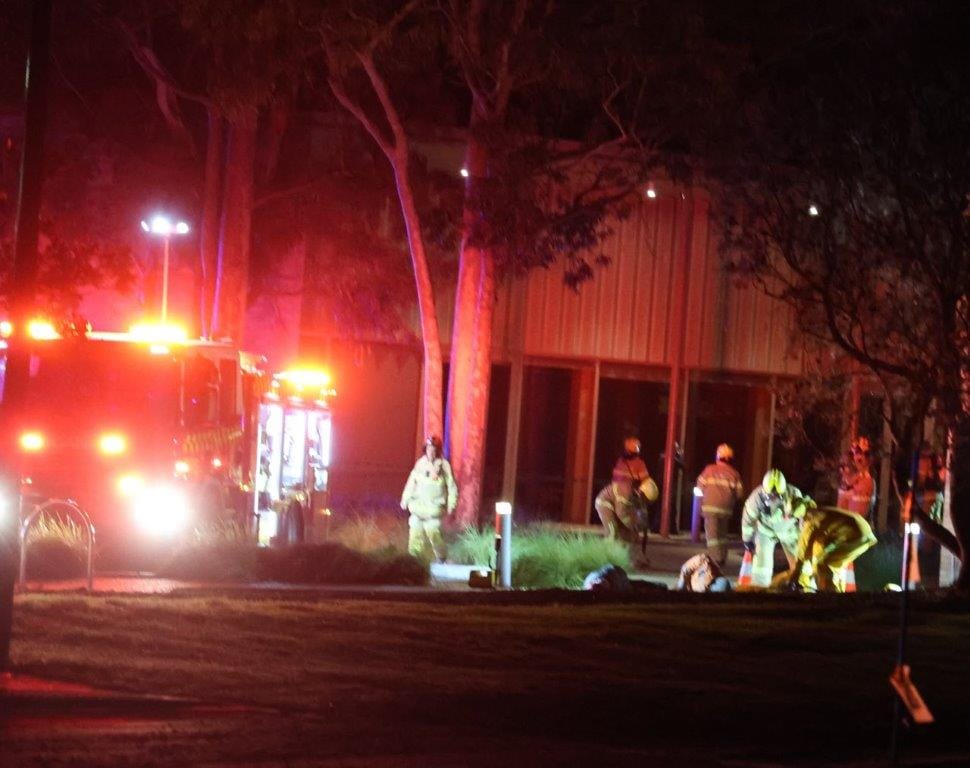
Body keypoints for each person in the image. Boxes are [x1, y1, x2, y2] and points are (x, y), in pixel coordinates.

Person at [740, 469, 815, 587]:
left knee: (800, 560)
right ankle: (760, 587)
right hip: (766, 532)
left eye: (777, 494)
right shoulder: (756, 498)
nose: (773, 497)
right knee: (762, 563)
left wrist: (803, 535)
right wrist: (747, 539)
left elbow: (803, 517)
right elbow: (748, 519)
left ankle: (805, 585)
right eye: (770, 494)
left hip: (789, 531)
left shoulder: (793, 493)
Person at [594, 437, 658, 565]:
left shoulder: (620, 461)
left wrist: (633, 528)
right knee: (612, 532)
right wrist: (634, 526)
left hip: (617, 498)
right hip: (606, 503)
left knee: (627, 534)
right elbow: (622, 512)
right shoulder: (639, 466)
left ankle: (627, 559)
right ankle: (603, 559)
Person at [786, 505, 878, 592]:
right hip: (865, 534)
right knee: (836, 565)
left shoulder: (809, 522)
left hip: (851, 534)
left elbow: (802, 554)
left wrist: (795, 577)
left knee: (823, 564)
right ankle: (839, 593)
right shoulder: (820, 511)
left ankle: (830, 597)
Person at [400, 435, 458, 562]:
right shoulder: (420, 464)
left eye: (433, 449)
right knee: (415, 532)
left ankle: (441, 558)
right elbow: (411, 482)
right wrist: (405, 498)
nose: (431, 452)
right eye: (428, 449)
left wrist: (451, 505)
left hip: (434, 508)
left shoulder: (444, 466)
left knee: (433, 531)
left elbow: (452, 486)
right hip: (418, 506)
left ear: (437, 451)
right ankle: (414, 560)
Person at [696, 443, 744, 567]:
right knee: (722, 535)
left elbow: (699, 487)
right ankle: (722, 556)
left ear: (718, 457)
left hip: (709, 509)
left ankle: (715, 560)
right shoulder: (735, 474)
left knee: (712, 536)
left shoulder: (709, 470)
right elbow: (739, 494)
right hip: (726, 510)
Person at [837, 437, 876, 519]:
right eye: (854, 460)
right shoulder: (851, 480)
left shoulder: (866, 481)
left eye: (859, 460)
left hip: (857, 522)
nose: (856, 463)